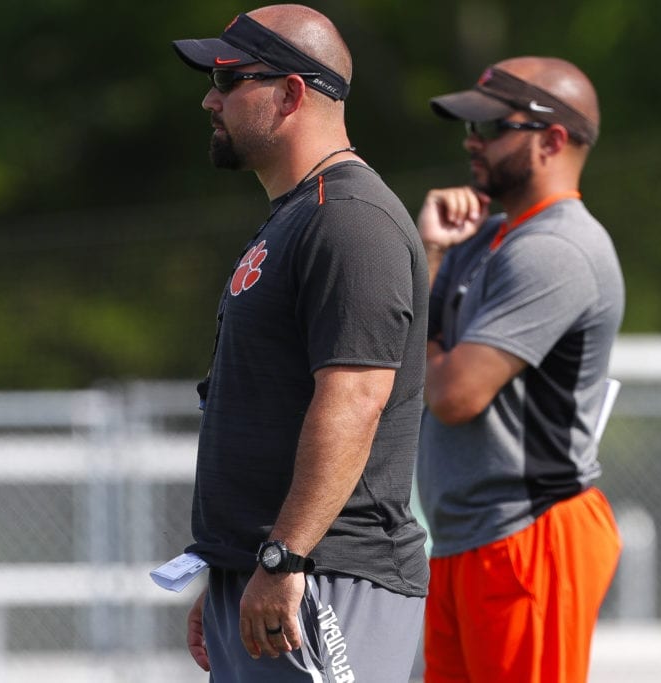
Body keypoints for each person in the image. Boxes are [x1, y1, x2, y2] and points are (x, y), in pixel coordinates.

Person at [170, 5, 429, 682]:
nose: (209, 98)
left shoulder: (350, 220)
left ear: (290, 93)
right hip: (273, 574)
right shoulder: (296, 217)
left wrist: (283, 557)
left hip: (326, 575)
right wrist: (232, 569)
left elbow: (354, 401)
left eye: (228, 79)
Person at [415, 57, 625, 683]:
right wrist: (428, 250)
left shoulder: (556, 249)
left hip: (529, 535)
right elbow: (415, 353)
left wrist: (422, 358)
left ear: (553, 139)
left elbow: (453, 395)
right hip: (466, 539)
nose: (470, 141)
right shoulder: (482, 239)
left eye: (490, 127)